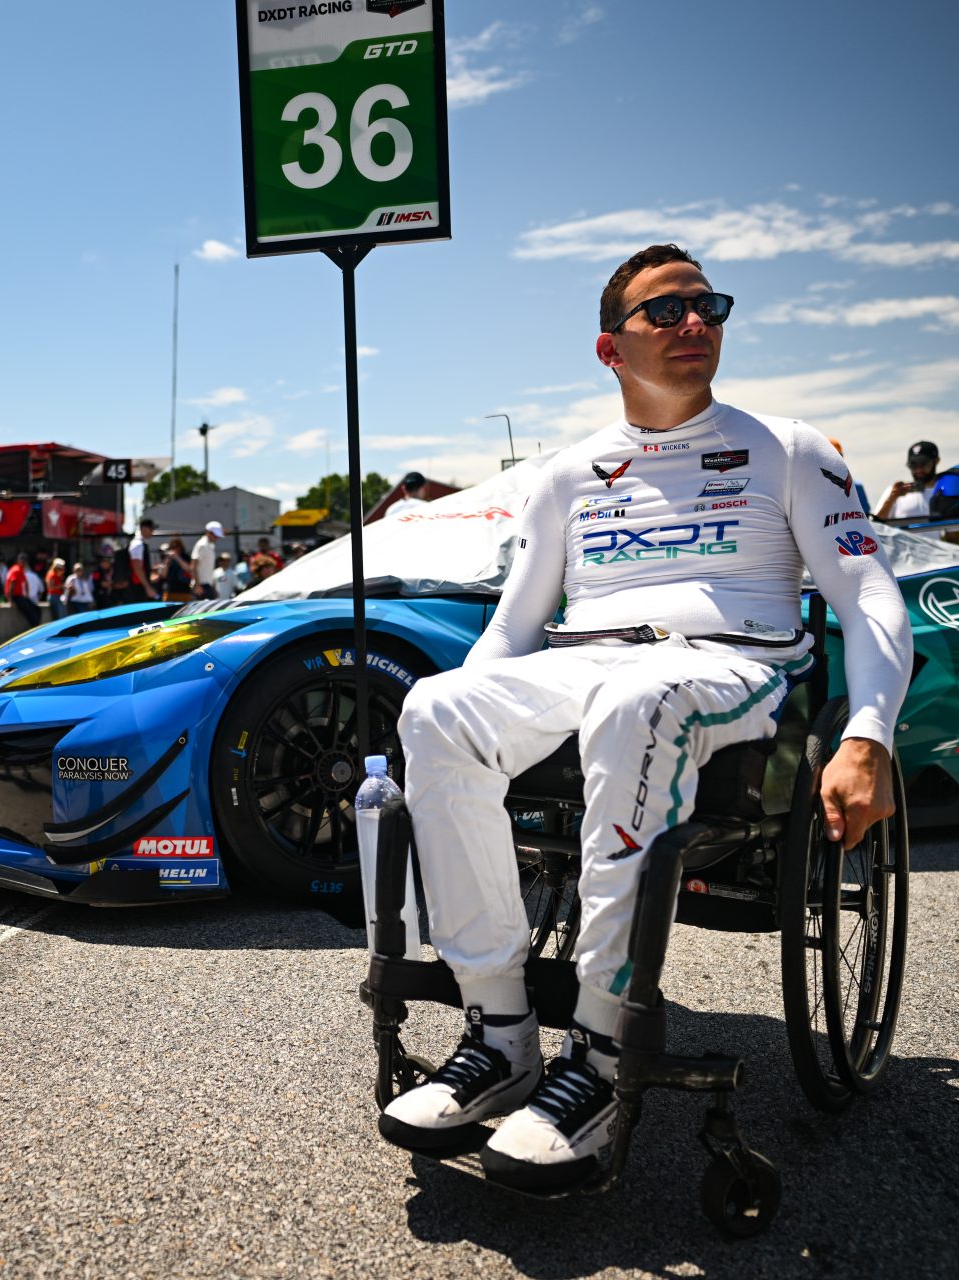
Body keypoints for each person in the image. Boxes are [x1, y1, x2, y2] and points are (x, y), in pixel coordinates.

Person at [379, 243, 912, 1189]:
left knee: (639, 696)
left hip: (733, 666)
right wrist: (448, 737)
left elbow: (869, 597)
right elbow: (510, 631)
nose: (694, 323)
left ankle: (600, 1049)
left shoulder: (790, 450)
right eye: (665, 313)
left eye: (707, 307)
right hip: (584, 662)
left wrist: (867, 732)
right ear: (609, 348)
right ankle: (500, 1035)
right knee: (433, 704)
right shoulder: (563, 474)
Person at [873, 440, 942, 540]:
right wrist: (892, 498)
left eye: (924, 463)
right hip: (901, 554)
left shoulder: (944, 492)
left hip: (935, 555)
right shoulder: (895, 491)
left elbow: (952, 536)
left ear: (936, 461)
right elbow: (875, 526)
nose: (918, 469)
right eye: (913, 465)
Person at [124, 516, 157, 601]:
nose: (152, 532)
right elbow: (137, 567)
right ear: (144, 529)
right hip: (136, 588)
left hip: (139, 586)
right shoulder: (137, 544)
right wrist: (148, 588)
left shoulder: (141, 543)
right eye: (151, 529)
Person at [191, 520, 224, 600]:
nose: (217, 538)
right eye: (215, 535)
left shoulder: (210, 546)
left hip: (207, 585)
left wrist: (213, 587)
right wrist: (198, 585)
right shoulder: (202, 545)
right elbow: (193, 566)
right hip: (201, 586)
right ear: (209, 532)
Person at [154, 537, 192, 602]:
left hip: (184, 591)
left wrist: (177, 557)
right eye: (172, 547)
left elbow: (188, 569)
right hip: (170, 591)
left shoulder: (185, 556)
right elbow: (163, 575)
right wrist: (167, 561)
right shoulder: (168, 558)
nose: (175, 549)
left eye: (176, 546)